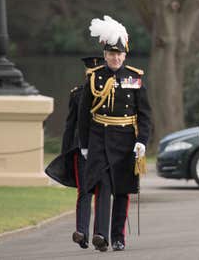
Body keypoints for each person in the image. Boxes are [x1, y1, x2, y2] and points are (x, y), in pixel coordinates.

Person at [78, 16, 151, 252]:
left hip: (126, 138)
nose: (115, 57)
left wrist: (142, 141)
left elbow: (145, 114)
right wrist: (84, 143)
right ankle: (100, 235)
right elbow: (83, 114)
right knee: (102, 186)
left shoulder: (134, 77)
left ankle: (118, 237)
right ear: (105, 54)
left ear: (125, 55)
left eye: (119, 54)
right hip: (100, 136)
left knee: (121, 190)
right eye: (111, 53)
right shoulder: (95, 76)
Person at [45, 56, 103, 249]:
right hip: (81, 148)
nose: (91, 76)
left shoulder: (112, 93)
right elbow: (70, 126)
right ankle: (82, 232)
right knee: (84, 190)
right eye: (89, 74)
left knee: (102, 192)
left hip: (104, 148)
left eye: (95, 73)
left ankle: (99, 235)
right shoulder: (77, 94)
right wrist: (65, 154)